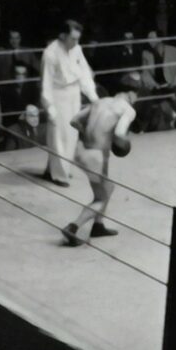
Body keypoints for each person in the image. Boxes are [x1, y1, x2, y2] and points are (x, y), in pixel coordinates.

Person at [60, 76, 139, 247]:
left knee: (108, 187)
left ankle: (98, 225)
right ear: (131, 94)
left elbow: (74, 121)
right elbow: (119, 134)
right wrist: (124, 144)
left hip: (81, 151)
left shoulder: (100, 102)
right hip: (95, 156)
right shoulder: (128, 110)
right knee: (101, 198)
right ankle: (73, 227)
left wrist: (92, 134)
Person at [39, 20, 99, 187]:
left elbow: (85, 74)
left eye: (78, 39)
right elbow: (46, 83)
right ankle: (59, 175)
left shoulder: (77, 49)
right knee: (59, 135)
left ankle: (54, 169)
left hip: (74, 94)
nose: (75, 42)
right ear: (62, 35)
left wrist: (93, 97)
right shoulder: (50, 53)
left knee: (71, 134)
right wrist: (49, 108)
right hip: (58, 96)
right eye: (73, 39)